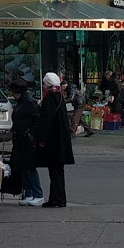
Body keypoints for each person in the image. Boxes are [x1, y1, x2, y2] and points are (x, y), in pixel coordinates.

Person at [34, 73, 74, 207]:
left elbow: (46, 121)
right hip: (61, 141)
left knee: (54, 172)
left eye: (45, 83)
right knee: (58, 172)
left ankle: (56, 199)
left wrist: (41, 139)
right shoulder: (60, 97)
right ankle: (59, 198)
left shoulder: (49, 99)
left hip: (53, 142)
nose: (43, 86)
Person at [9, 80, 45, 206]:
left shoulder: (29, 102)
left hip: (27, 140)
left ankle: (37, 194)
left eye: (14, 92)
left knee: (29, 167)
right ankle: (29, 193)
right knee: (23, 167)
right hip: (21, 138)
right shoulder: (23, 101)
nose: (13, 95)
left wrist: (30, 134)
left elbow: (36, 119)